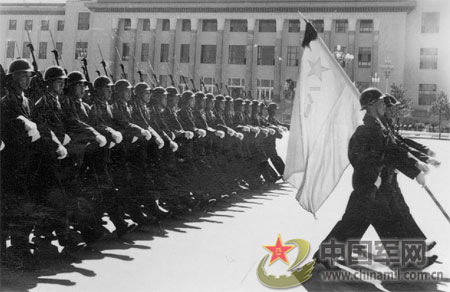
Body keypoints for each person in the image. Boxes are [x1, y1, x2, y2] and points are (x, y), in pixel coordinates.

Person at [314, 88, 437, 269]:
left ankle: (326, 255)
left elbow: (393, 151)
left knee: (355, 223)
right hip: (368, 186)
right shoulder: (366, 129)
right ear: (370, 106)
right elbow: (357, 158)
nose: (384, 105)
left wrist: (415, 167)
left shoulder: (378, 127)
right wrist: (375, 177)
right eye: (380, 102)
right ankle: (409, 259)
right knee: (380, 222)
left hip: (376, 185)